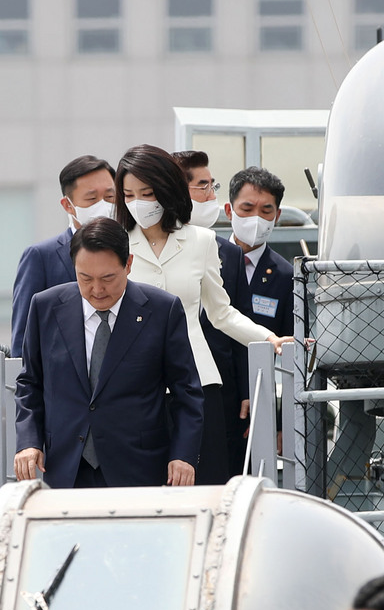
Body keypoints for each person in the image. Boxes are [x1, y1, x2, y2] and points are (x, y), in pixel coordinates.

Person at [115, 144, 289, 485]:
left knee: (205, 482)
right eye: (129, 194)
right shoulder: (115, 243)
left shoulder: (202, 241)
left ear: (167, 189)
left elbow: (222, 313)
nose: (138, 202)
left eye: (147, 193)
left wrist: (268, 338)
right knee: (143, 486)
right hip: (134, 384)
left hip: (197, 382)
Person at [14, 217, 204, 490]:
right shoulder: (45, 307)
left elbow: (186, 392)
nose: (97, 290)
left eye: (107, 278)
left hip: (137, 467)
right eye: (85, 278)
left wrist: (183, 456)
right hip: (66, 466)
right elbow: (30, 383)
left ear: (128, 264)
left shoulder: (162, 310)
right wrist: (29, 442)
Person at [172, 149, 250, 476]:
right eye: (202, 186)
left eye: (212, 185)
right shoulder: (138, 248)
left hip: (220, 386)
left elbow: (235, 315)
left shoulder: (228, 253)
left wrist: (248, 389)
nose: (210, 195)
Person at [11, 154, 116, 357]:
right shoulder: (41, 257)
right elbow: (23, 339)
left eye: (110, 197)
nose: (104, 205)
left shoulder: (133, 249)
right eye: (92, 198)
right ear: (68, 205)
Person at [226, 166, 294, 338]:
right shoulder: (208, 258)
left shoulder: (286, 276)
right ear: (229, 211)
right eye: (247, 209)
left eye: (265, 211)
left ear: (277, 216)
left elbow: (290, 342)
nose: (256, 219)